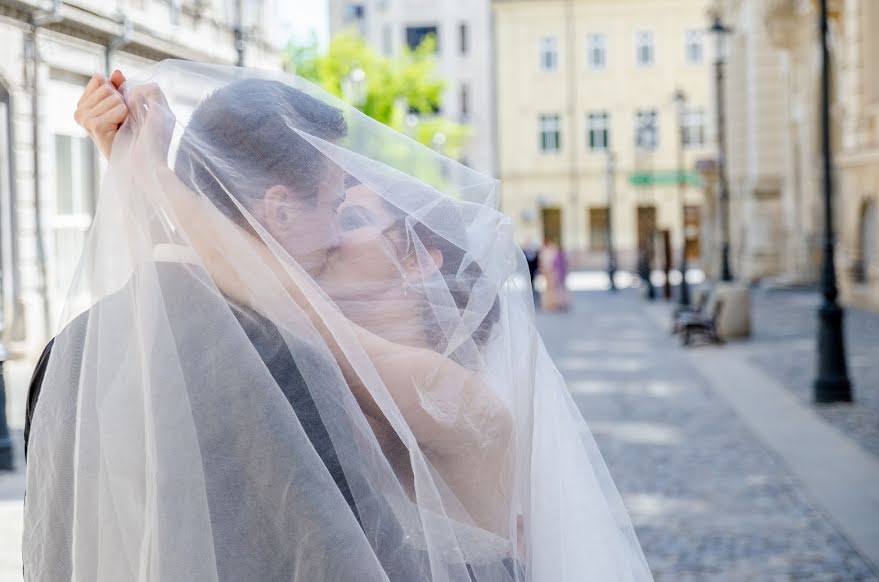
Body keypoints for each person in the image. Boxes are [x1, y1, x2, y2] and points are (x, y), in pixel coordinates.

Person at [23, 61, 653, 582]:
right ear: (280, 211)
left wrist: (147, 176)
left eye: (356, 218)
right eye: (336, 205)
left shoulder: (452, 396)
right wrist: (143, 176)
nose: (336, 233)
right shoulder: (294, 364)